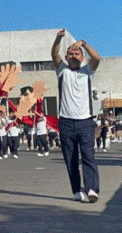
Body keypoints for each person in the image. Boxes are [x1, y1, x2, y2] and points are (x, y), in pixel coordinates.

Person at [51, 29, 101, 203]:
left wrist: (83, 43)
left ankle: (92, 189)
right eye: (70, 54)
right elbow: (54, 54)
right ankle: (76, 190)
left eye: (76, 53)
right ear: (66, 57)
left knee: (88, 156)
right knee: (70, 158)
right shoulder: (62, 71)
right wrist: (58, 39)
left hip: (85, 122)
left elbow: (97, 58)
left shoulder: (87, 71)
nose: (73, 56)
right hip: (66, 122)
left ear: (82, 56)